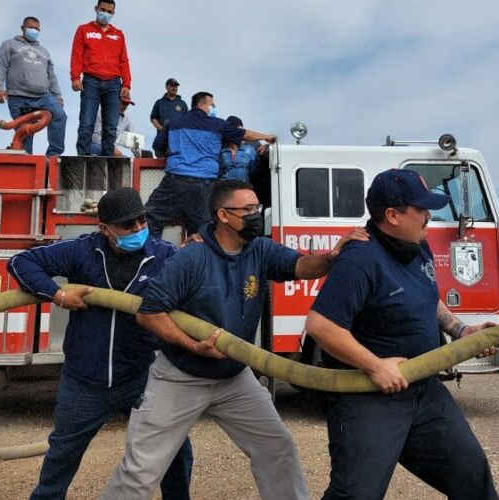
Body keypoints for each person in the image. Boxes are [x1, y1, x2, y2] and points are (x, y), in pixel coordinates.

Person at [100, 180, 368, 500]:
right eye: (250, 209)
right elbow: (149, 312)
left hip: (234, 377)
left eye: (258, 208)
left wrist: (333, 257)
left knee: (276, 448)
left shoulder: (259, 249)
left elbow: (300, 266)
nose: (257, 215)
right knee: (141, 470)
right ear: (224, 215)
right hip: (181, 377)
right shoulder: (191, 257)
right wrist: (192, 344)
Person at [304, 169, 499, 500]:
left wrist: (461, 330)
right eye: (421, 209)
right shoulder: (360, 259)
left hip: (424, 391)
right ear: (392, 215)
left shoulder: (416, 247)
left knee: (472, 478)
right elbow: (320, 325)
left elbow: (426, 297)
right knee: (356, 495)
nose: (429, 215)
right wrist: (375, 366)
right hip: (369, 398)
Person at [7, 187, 193, 500]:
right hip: (85, 379)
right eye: (127, 225)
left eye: (141, 221)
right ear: (104, 229)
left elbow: (195, 290)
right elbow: (21, 262)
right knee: (62, 456)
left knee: (175, 451)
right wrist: (58, 294)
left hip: (143, 375)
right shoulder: (82, 251)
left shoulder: (164, 256)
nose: (137, 230)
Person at [145, 92, 276, 239]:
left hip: (175, 182)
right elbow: (244, 134)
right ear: (201, 104)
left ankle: (152, 255)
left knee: (150, 218)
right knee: (204, 231)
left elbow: (158, 146)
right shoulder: (217, 124)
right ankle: (201, 258)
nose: (213, 108)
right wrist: (267, 137)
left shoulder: (173, 123)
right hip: (204, 186)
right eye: (212, 105)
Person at [0, 16, 67, 156]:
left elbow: (51, 76)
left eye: (37, 29)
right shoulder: (9, 44)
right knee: (25, 134)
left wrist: (57, 96)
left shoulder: (44, 51)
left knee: (60, 116)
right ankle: (27, 163)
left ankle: (53, 155)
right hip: (18, 97)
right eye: (31, 28)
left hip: (43, 97)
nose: (34, 31)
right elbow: (0, 66)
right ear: (23, 28)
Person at [71, 0, 132, 156]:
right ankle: (82, 158)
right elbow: (76, 54)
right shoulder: (84, 30)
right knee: (86, 123)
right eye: (103, 9)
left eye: (109, 11)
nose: (105, 13)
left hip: (113, 84)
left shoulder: (118, 34)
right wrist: (75, 77)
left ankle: (108, 160)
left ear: (113, 13)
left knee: (111, 126)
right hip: (91, 81)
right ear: (96, 9)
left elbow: (124, 60)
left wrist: (126, 84)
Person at [218, 115, 268, 182]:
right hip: (225, 187)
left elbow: (256, 168)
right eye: (236, 131)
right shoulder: (219, 148)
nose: (239, 134)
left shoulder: (252, 144)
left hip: (244, 185)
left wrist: (267, 146)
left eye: (240, 130)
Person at [150, 78, 187, 158]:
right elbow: (153, 118)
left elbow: (187, 121)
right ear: (166, 87)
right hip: (162, 139)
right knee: (161, 161)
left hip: (178, 140)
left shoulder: (182, 104)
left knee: (176, 160)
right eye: (172, 86)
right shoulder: (159, 102)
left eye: (176, 86)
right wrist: (162, 129)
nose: (174, 88)